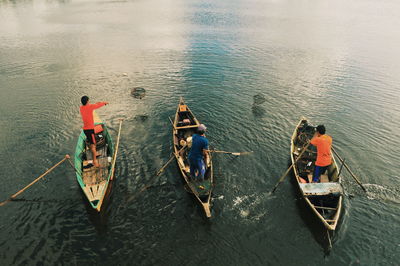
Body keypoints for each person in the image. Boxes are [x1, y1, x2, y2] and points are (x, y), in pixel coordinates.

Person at [80, 96, 108, 167]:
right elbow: (97, 105)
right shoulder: (90, 107)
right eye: (88, 101)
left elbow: (95, 105)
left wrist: (98, 103)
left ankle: (95, 153)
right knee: (93, 145)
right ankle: (94, 162)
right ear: (87, 102)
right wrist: (104, 103)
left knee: (91, 142)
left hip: (85, 130)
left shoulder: (81, 108)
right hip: (90, 130)